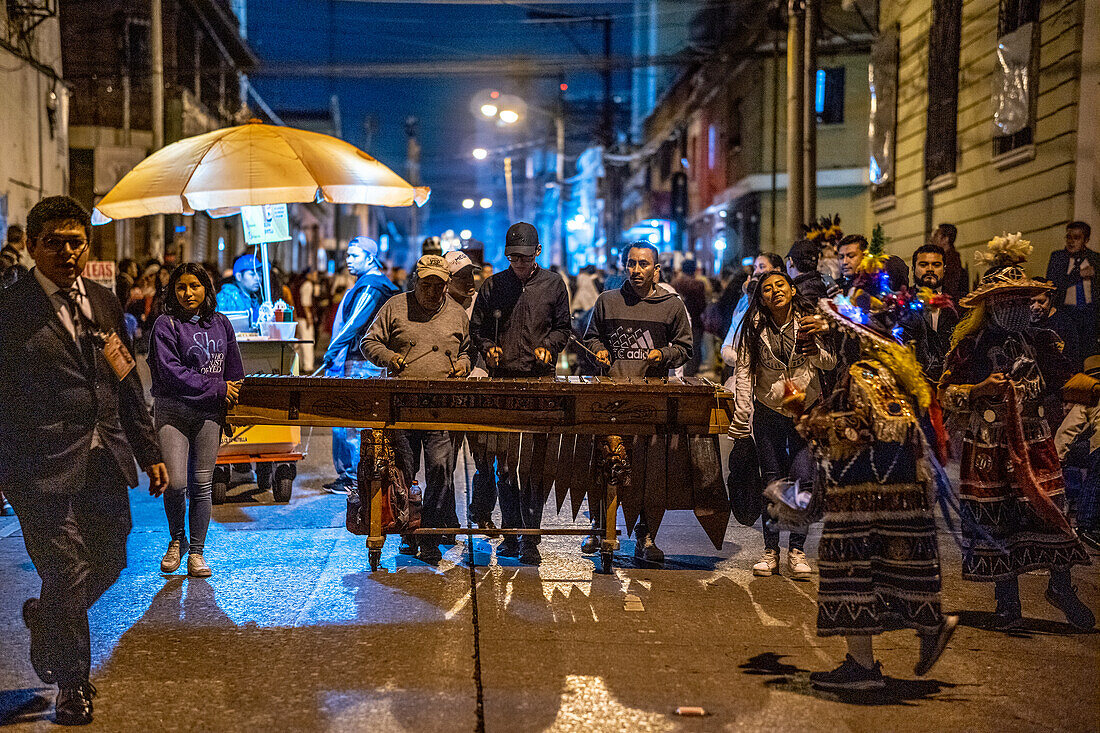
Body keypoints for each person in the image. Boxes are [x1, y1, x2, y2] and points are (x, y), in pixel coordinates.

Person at [0, 196, 168, 725]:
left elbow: (124, 380)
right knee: (69, 570)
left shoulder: (103, 301)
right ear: (32, 246)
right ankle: (73, 685)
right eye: (54, 242)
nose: (67, 251)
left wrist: (148, 449)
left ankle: (49, 617)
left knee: (112, 559)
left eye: (76, 241)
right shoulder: (10, 310)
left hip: (103, 458)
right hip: (38, 466)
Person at [802, 286, 957, 691]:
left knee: (853, 572)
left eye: (838, 332)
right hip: (900, 494)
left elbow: (881, 427)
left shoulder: (864, 373)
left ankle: (862, 668)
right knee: (895, 568)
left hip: (866, 494)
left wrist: (812, 420)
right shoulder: (894, 368)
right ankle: (931, 626)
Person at [939, 235, 1093, 631]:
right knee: (998, 521)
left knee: (1050, 512)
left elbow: (1064, 381)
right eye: (1009, 300)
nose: (1018, 307)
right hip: (989, 446)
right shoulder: (970, 345)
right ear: (991, 303)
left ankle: (1062, 588)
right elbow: (943, 394)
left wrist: (1094, 387)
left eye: (1023, 299)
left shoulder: (1041, 339)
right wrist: (979, 390)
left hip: (1034, 440)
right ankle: (1007, 603)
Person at [581, 241, 693, 563]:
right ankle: (599, 526)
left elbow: (685, 348)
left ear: (656, 269)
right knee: (604, 464)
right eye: (631, 264)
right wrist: (598, 351)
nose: (637, 270)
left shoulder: (671, 305)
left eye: (644, 264)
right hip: (610, 398)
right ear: (624, 266)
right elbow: (589, 337)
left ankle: (646, 535)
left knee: (647, 471)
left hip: (650, 401)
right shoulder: (607, 301)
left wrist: (664, 354)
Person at [470, 222, 570, 564]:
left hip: (541, 382)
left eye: (525, 258)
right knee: (504, 465)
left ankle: (531, 538)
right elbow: (477, 330)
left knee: (535, 466)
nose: (519, 264)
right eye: (513, 258)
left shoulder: (554, 284)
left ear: (537, 253)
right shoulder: (493, 285)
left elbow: (563, 328)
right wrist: (488, 348)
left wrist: (549, 347)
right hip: (503, 384)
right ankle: (512, 533)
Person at [361, 255, 471, 563]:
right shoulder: (395, 306)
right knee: (404, 474)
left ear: (447, 285)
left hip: (441, 408)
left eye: (439, 285)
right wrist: (389, 357)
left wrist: (463, 364)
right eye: (427, 285)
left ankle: (430, 535)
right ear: (415, 282)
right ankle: (408, 531)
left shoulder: (458, 313)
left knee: (440, 471)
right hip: (403, 405)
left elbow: (467, 350)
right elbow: (369, 343)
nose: (433, 291)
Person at [729, 270, 835, 579]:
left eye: (780, 286)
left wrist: (815, 352)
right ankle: (771, 550)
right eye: (767, 289)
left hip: (805, 411)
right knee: (772, 482)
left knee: (802, 478)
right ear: (760, 298)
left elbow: (830, 362)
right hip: (769, 409)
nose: (775, 292)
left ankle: (797, 550)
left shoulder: (810, 321)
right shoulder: (753, 326)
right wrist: (743, 413)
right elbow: (745, 370)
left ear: (791, 289)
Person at [148, 263, 244, 578]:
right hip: (172, 410)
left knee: (202, 483)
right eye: (181, 287)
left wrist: (231, 399)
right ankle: (177, 540)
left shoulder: (221, 323)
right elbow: (170, 372)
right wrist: (218, 388)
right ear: (173, 292)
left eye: (195, 286)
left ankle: (198, 553)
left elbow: (234, 369)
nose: (188, 293)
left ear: (206, 288)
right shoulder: (165, 324)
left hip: (209, 414)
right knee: (175, 483)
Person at [319, 237, 399, 495]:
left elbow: (353, 323)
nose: (348, 260)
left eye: (354, 255)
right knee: (354, 421)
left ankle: (354, 478)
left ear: (369, 257)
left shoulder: (372, 287)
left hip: (362, 362)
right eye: (348, 255)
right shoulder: (372, 284)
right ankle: (354, 476)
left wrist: (332, 349)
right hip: (364, 362)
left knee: (353, 422)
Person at [444, 250, 497, 533]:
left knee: (486, 459)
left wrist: (482, 367)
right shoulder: (438, 306)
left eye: (471, 273)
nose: (470, 280)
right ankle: (448, 517)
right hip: (450, 393)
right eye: (462, 276)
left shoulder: (482, 303)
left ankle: (482, 512)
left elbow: (490, 337)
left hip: (480, 389)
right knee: (445, 461)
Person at [1056, 356, 1100, 550]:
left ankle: (1085, 525)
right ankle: (1088, 525)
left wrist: (1058, 456)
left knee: (1095, 481)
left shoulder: (1089, 393)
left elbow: (1068, 429)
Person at [905, 243, 960, 382]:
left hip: (950, 381)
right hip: (912, 380)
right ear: (913, 268)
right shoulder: (902, 302)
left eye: (936, 265)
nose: (930, 269)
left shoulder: (959, 304)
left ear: (944, 269)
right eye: (923, 265)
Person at [720, 253, 783, 373]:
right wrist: (746, 363)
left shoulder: (781, 308)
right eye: (755, 268)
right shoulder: (745, 305)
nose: (757, 272)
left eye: (762, 266)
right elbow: (727, 347)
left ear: (777, 270)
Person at [1045, 221, 1099, 358]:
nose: (1071, 241)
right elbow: (1053, 285)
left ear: (1086, 240)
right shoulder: (1058, 258)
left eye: (1076, 238)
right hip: (1066, 312)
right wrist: (1078, 275)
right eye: (1069, 237)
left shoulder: (1095, 259)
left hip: (1089, 313)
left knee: (1089, 352)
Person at [1030, 276, 1081, 374]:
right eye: (1031, 302)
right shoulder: (1021, 323)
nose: (1035, 307)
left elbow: (1073, 360)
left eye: (1041, 302)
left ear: (1051, 300)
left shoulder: (1064, 323)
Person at [670, 259, 707, 376]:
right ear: (695, 269)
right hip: (695, 323)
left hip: (677, 322)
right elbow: (702, 305)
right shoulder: (698, 285)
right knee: (694, 351)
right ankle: (690, 377)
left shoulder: (675, 284)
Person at [215, 253, 262, 322]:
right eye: (252, 274)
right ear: (238, 276)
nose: (258, 278)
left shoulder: (253, 299)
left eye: (260, 274)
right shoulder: (227, 298)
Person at [931, 223, 969, 302]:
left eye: (936, 235)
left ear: (945, 239)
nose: (932, 239)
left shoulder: (951, 263)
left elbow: (949, 290)